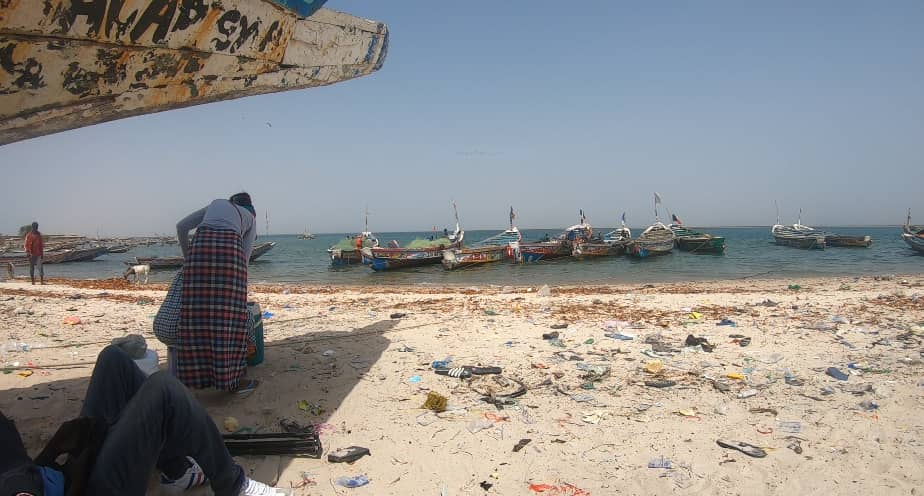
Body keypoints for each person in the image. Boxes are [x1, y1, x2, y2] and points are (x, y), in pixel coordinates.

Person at [0, 345, 290, 496]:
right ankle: (234, 486)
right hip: (80, 490)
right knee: (164, 389)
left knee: (113, 360)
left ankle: (176, 469)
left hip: (64, 469)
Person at [175, 193, 257, 392]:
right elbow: (244, 259)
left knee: (196, 314)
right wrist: (238, 292)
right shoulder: (250, 218)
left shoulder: (215, 205)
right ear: (249, 208)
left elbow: (181, 227)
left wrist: (189, 259)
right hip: (229, 252)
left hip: (199, 250)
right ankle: (231, 380)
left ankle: (194, 378)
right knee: (230, 317)